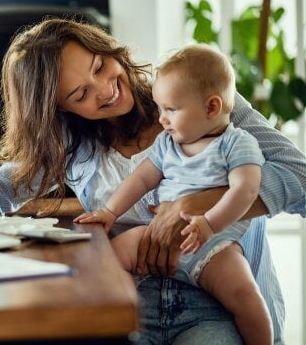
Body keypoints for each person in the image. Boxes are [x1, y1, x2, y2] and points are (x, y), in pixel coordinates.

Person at [0, 19, 306, 344]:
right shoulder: (73, 141)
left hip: (216, 296)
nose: (106, 89)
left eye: (100, 65)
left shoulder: (197, 95)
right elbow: (8, 182)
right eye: (81, 93)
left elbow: (300, 179)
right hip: (128, 298)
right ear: (59, 108)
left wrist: (194, 204)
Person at [75, 44, 272, 344]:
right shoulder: (168, 144)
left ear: (211, 108)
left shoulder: (237, 144)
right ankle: (118, 317)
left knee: (246, 296)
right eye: (160, 109)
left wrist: (209, 224)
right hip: (156, 235)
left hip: (213, 247)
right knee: (108, 256)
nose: (162, 119)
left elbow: (246, 191)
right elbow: (140, 180)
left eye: (171, 110)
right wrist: (110, 212)